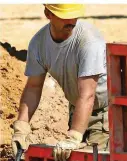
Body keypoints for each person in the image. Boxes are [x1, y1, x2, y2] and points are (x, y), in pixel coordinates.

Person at [11, 4, 109, 161]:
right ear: (48, 13)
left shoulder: (89, 41)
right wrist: (21, 128)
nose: (71, 21)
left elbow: (87, 94)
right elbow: (33, 87)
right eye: (65, 16)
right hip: (77, 109)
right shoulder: (38, 43)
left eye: (74, 15)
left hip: (105, 112)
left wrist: (74, 137)